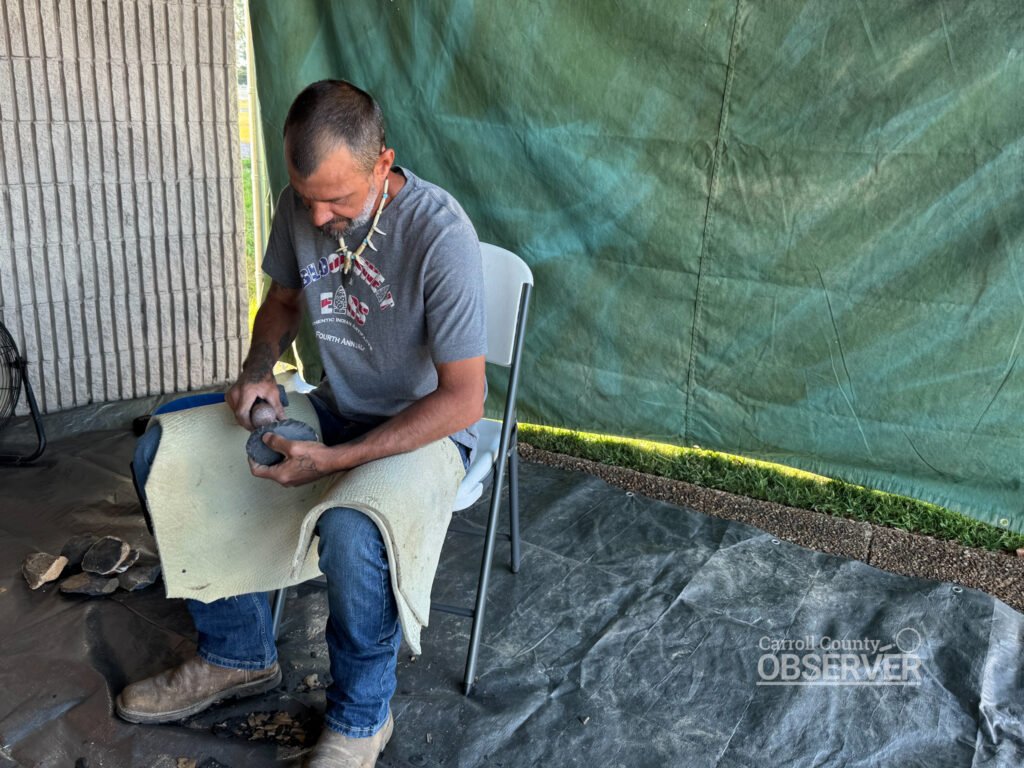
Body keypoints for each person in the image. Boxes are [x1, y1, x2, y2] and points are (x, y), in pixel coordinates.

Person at [116, 80, 487, 768]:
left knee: (353, 528)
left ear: (383, 164)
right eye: (305, 196)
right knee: (165, 448)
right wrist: (258, 369)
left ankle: (360, 719)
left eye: (337, 200)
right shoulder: (301, 204)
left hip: (424, 430)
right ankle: (237, 654)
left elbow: (465, 400)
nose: (316, 217)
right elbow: (283, 303)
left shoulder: (441, 234)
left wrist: (336, 463)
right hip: (334, 407)